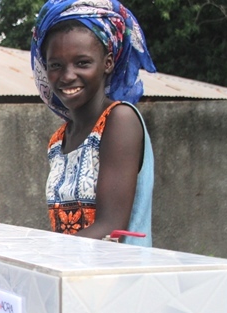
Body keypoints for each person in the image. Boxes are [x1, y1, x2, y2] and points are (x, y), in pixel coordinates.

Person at [30, 0, 156, 246]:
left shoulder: (120, 120)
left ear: (107, 63)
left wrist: (40, 254)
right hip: (72, 278)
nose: (67, 76)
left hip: (117, 279)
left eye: (82, 63)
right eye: (56, 65)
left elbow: (111, 228)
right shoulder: (59, 140)